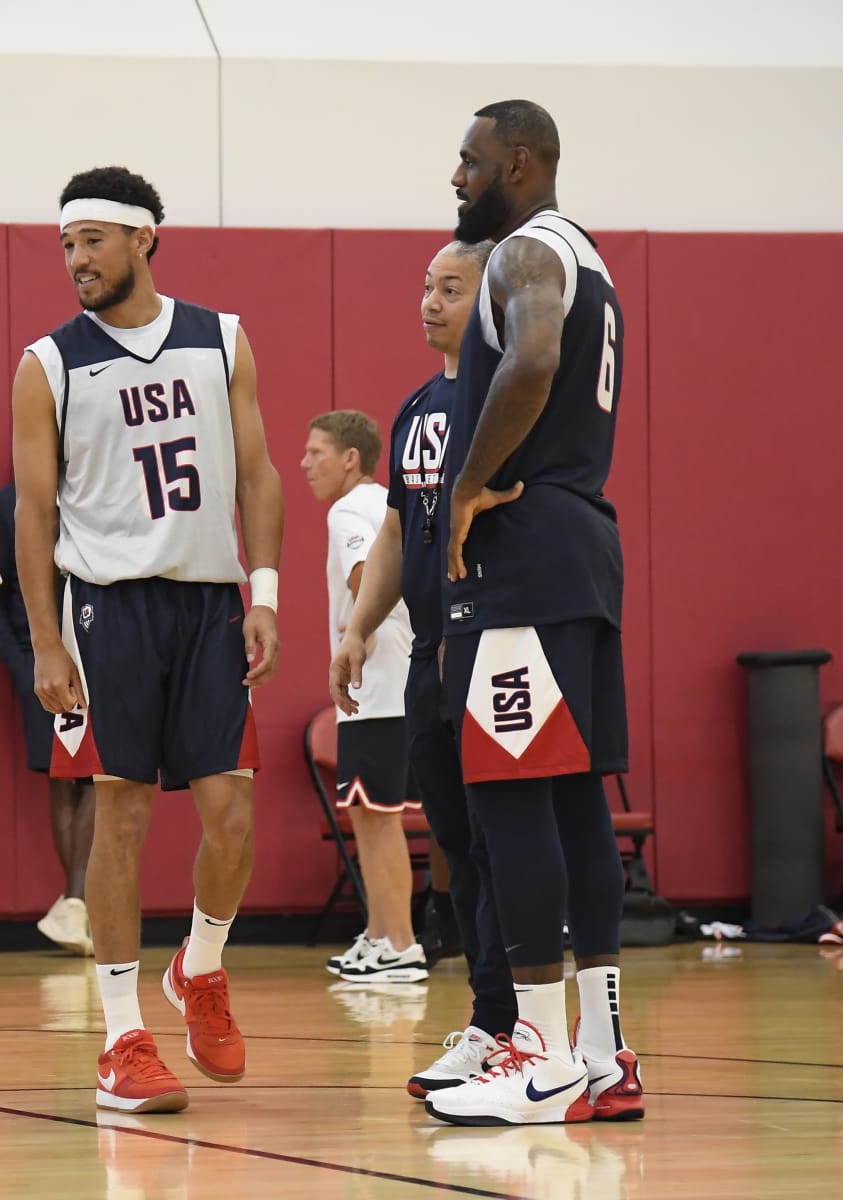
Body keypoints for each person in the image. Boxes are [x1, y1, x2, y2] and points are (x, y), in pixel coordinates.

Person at [12, 166, 284, 1114]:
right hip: (106, 610)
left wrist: (269, 593)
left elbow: (258, 471)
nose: (77, 260)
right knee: (120, 814)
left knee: (234, 814)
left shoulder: (223, 339)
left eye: (92, 240)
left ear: (144, 239)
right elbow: (33, 514)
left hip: (210, 604)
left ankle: (199, 967)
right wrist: (45, 640)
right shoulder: (47, 363)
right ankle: (123, 1037)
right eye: (66, 246)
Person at [427, 100, 643, 1126]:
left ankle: (540, 1057)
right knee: (570, 806)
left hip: (524, 555)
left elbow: (534, 359)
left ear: (519, 162)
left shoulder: (525, 255)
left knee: (512, 802)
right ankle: (600, 1056)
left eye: (469, 163)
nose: (456, 180)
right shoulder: (588, 255)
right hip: (582, 548)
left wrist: (466, 484)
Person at [331, 240, 520, 1097]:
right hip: (428, 655)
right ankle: (489, 1019)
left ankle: (522, 1022)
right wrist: (358, 629)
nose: (431, 302)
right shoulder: (414, 409)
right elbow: (400, 534)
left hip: (500, 645)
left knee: (501, 840)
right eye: (425, 287)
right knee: (452, 846)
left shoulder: (509, 395)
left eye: (452, 288)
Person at [301, 410, 426, 983]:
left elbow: (362, 582)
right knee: (370, 811)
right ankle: (379, 934)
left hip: (377, 685)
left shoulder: (349, 510)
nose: (305, 464)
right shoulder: (387, 505)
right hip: (404, 683)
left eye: (316, 452)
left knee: (378, 817)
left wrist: (354, 645)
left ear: (351, 458)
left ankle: (401, 945)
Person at [0, 482, 95, 955]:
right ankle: (78, 904)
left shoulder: (100, 490)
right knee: (63, 777)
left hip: (104, 653)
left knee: (103, 775)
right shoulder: (7, 506)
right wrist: (23, 664)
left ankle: (77, 904)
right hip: (43, 662)